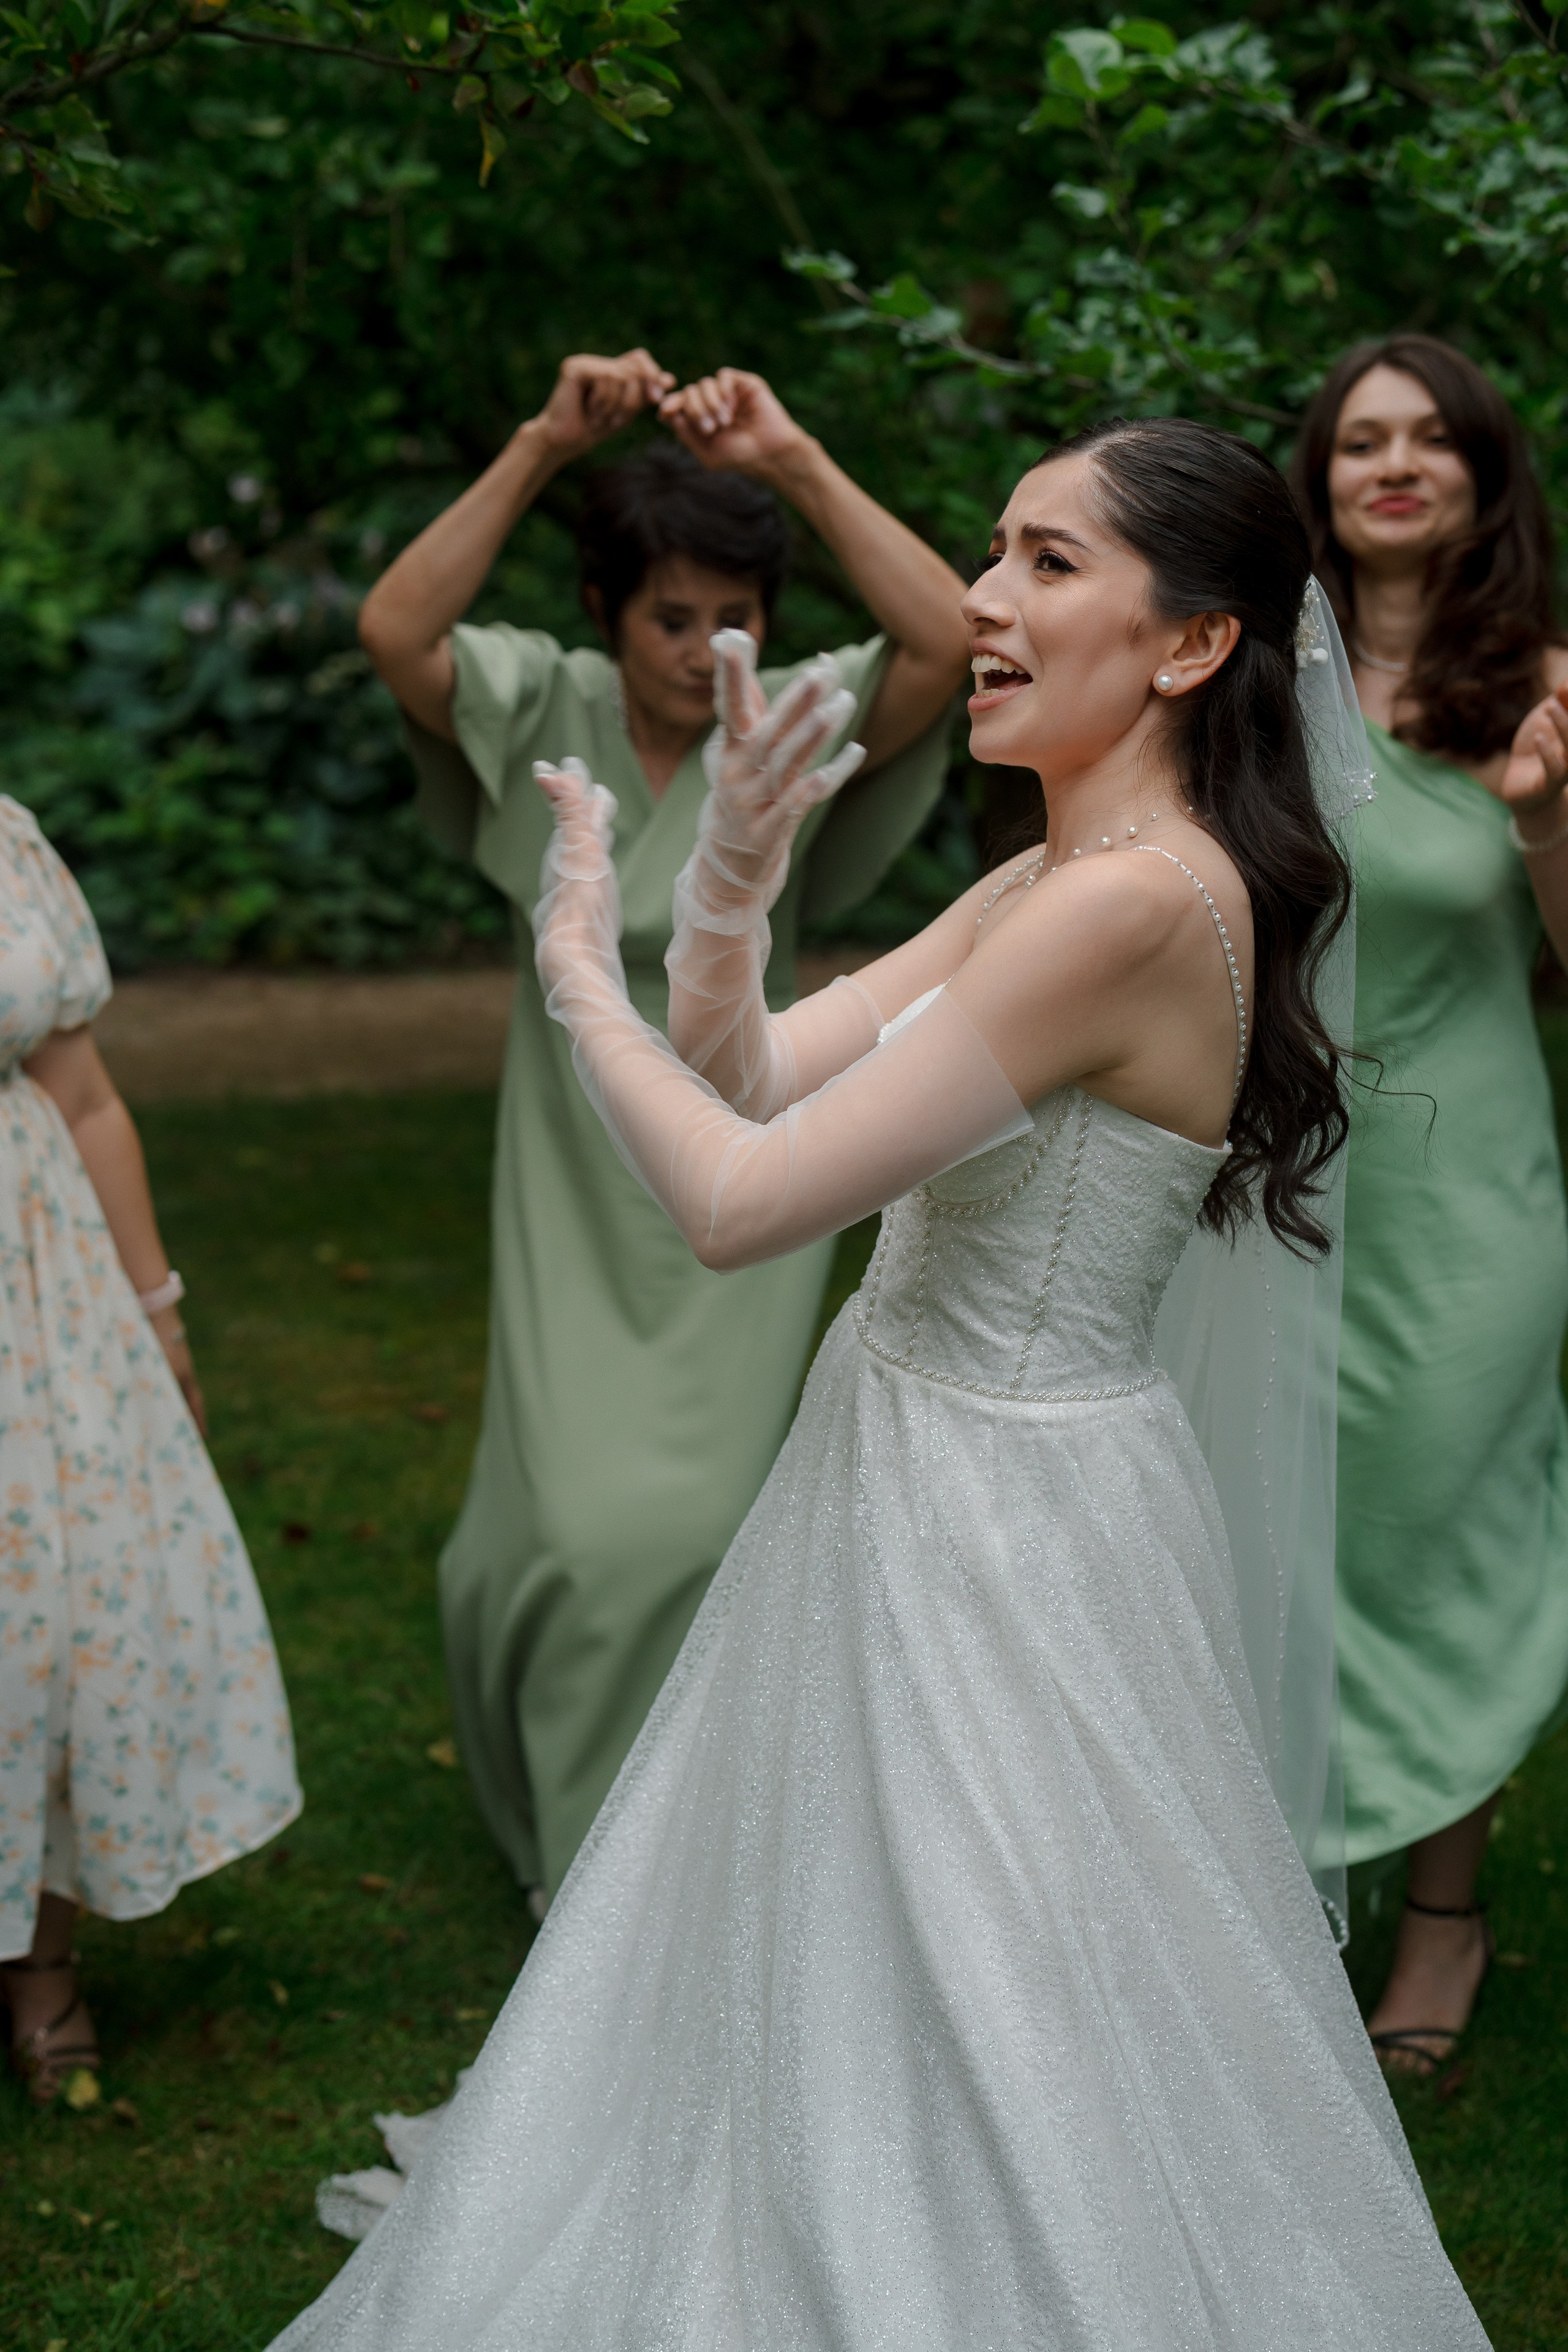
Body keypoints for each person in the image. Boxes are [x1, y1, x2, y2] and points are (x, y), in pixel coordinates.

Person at [271, 419, 1487, 2348]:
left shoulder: (1127, 907)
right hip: (907, 1454)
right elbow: (756, 1069)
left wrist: (582, 968)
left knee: (1005, 1982)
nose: (985, 601)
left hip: (1007, 1516)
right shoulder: (1048, 882)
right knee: (860, 1947)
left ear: (1188, 646)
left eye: (1047, 562)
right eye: (997, 552)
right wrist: (733, 888)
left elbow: (743, 1202)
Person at [358, 351, 970, 1909]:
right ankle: (576, 1822)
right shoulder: (541, 705)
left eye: (734, 616)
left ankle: (644, 1879)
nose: (708, 652)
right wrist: (541, 441)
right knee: (541, 1542)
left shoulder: (777, 721)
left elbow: (948, 635)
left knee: (693, 1528)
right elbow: (396, 629)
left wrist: (797, 459)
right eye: (671, 617)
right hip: (570, 1173)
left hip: (746, 1149)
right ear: (608, 614)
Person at [1291, 335, 1568, 2075]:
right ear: (1317, 482)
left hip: (1469, 1204)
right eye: (1358, 442)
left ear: (1481, 474)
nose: (1394, 464)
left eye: (1428, 440)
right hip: (1271, 1180)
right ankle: (1278, 1884)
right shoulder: (1249, 682)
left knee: (1430, 1534)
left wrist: (1543, 821)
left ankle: (1444, 1915)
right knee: (1273, 1532)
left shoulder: (1542, 683)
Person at [0, 798, 300, 2103]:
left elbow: (82, 1093)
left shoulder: (7, 842)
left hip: (37, 1300)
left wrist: (155, 1305)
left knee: (54, 1628)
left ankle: (42, 1963)